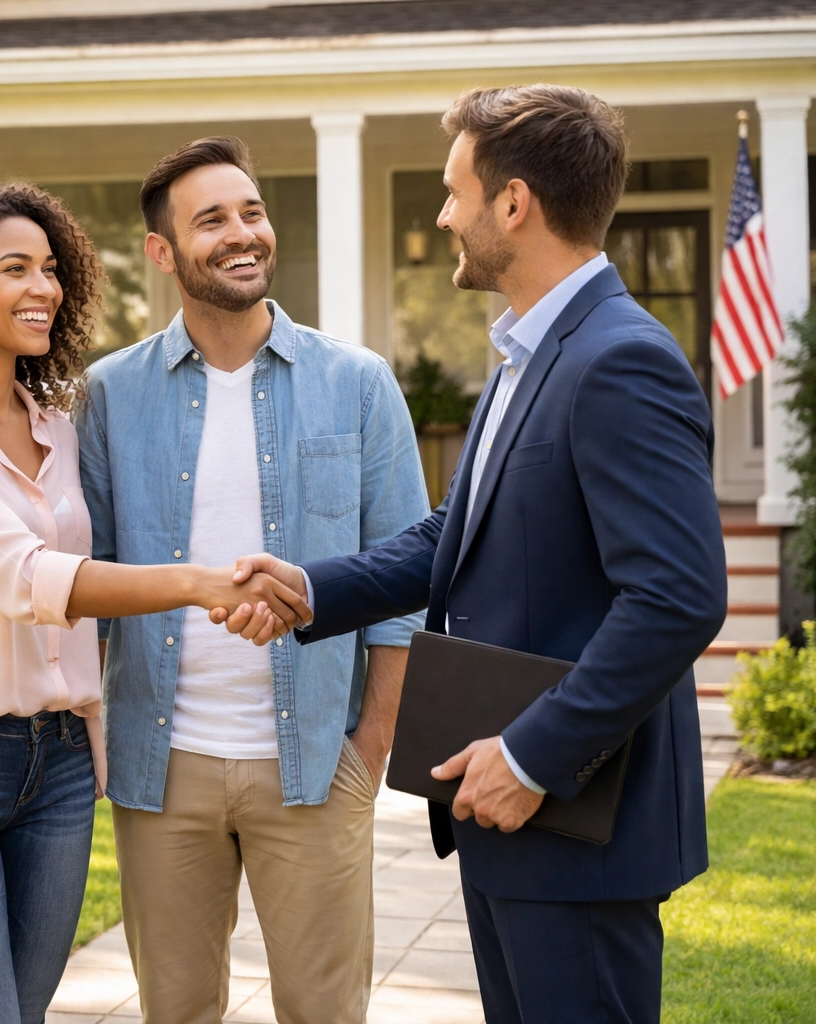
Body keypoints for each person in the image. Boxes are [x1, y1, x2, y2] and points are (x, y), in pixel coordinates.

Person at [223, 86, 727, 1024]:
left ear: (514, 202)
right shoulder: (524, 359)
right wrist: (308, 587)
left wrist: (533, 756)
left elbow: (677, 597)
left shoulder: (620, 358)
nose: (444, 214)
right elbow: (450, 537)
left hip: (577, 817)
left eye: (456, 191)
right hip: (506, 817)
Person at [0, 182, 310, 1024]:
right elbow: (30, 579)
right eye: (15, 268)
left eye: (52, 269)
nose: (45, 289)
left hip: (58, 766)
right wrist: (204, 582)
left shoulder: (62, 420)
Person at [75, 138, 429, 1024]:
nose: (243, 234)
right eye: (212, 220)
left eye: (252, 211)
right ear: (163, 253)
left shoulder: (358, 384)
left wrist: (371, 746)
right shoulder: (109, 395)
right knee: (177, 1010)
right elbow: (85, 585)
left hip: (314, 764)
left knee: (324, 1012)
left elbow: (408, 580)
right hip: (164, 768)